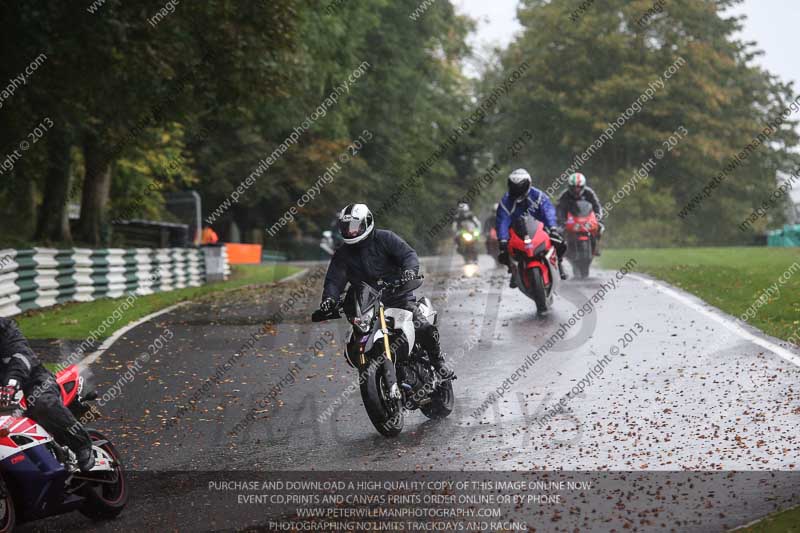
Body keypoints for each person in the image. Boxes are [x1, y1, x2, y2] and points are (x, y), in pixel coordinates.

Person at [319, 203, 454, 381]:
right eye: (347, 227)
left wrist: (409, 271)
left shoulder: (385, 238)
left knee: (423, 327)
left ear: (367, 223)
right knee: (354, 342)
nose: (351, 232)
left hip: (397, 296)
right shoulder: (342, 254)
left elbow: (408, 255)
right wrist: (329, 299)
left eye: (354, 227)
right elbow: (334, 280)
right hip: (366, 306)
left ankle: (438, 362)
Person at [0, 318, 95, 471]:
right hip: (3, 396)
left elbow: (22, 356)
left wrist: (11, 382)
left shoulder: (6, 328)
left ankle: (81, 444)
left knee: (42, 403)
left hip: (32, 380)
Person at [496, 169, 567, 285]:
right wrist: (503, 239)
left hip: (540, 227)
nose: (517, 190)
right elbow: (502, 220)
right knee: (503, 252)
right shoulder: (506, 201)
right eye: (514, 186)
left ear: (528, 184)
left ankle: (559, 263)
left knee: (560, 242)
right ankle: (514, 271)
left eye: (520, 186)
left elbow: (548, 211)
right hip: (516, 229)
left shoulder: (538, 196)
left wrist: (552, 228)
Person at [556, 172, 604, 256]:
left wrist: (598, 217)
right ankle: (561, 251)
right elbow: (559, 209)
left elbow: (597, 205)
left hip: (585, 218)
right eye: (574, 187)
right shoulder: (564, 195)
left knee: (600, 227)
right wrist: (561, 221)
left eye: (579, 187)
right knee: (559, 231)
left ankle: (596, 246)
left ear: (583, 186)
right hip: (569, 219)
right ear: (570, 186)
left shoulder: (589, 193)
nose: (576, 190)